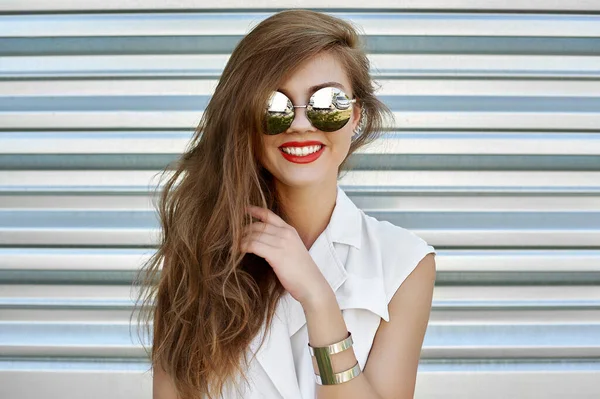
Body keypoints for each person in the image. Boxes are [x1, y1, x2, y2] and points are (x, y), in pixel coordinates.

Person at [135, 9, 437, 399]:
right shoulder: (199, 248)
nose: (299, 124)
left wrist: (318, 298)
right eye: (273, 105)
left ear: (356, 116)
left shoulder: (405, 263)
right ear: (245, 119)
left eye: (328, 103)